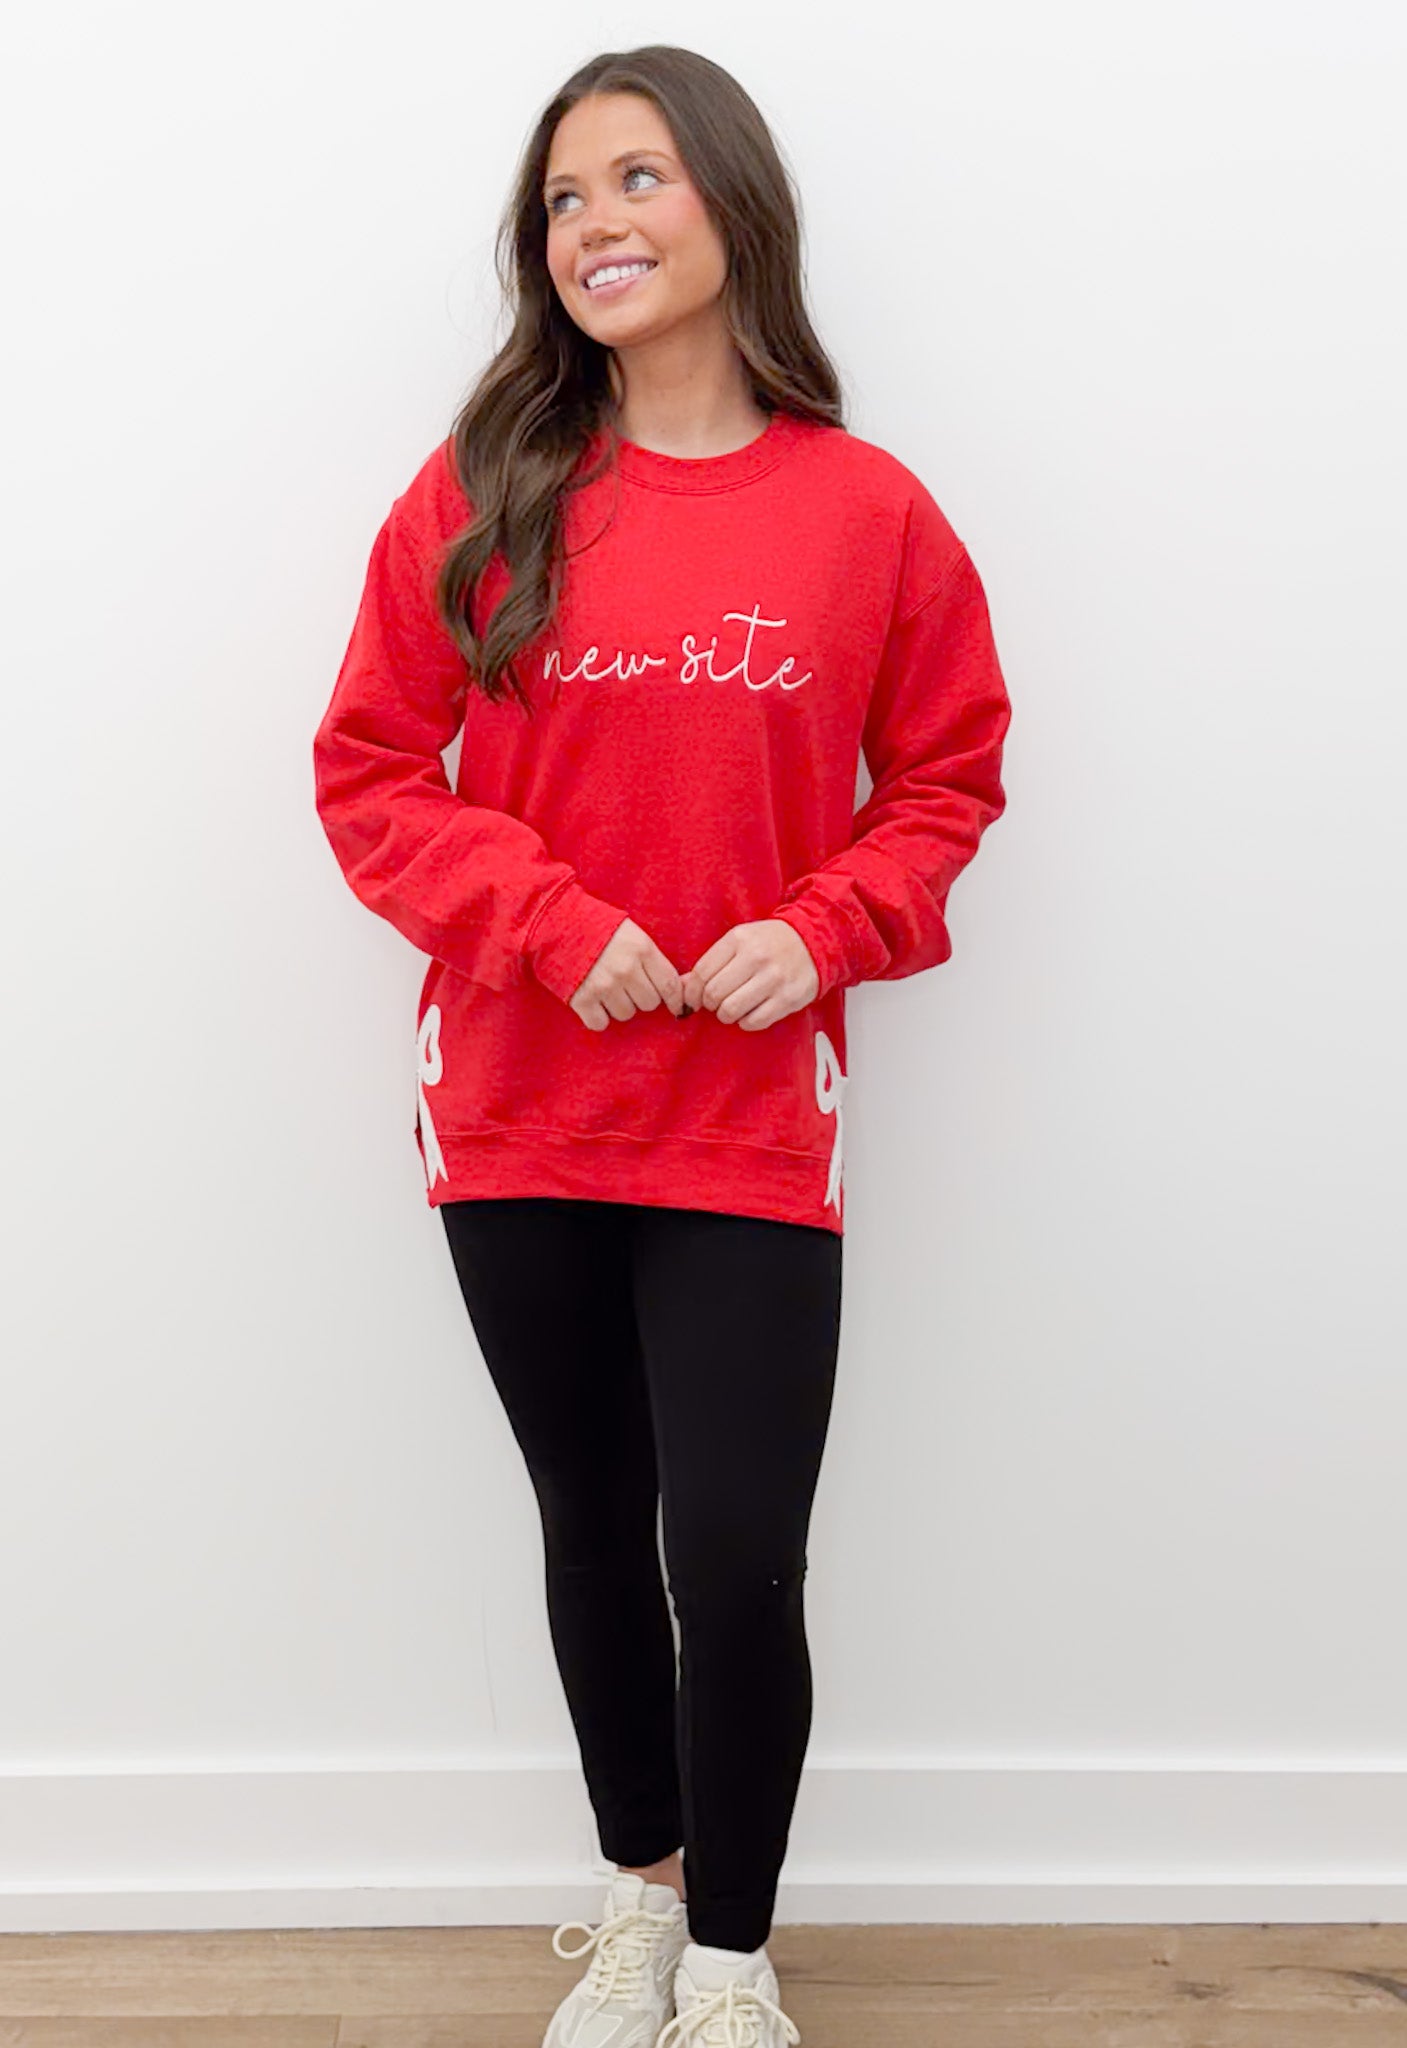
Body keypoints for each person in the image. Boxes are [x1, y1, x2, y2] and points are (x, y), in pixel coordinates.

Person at [312, 43, 1011, 2048]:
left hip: (749, 1126)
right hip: (519, 1109)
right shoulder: (485, 491)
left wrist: (826, 926)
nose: (594, 224)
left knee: (736, 1547)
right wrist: (550, 923)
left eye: (636, 178)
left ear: (731, 201)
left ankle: (732, 1964)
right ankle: (642, 1901)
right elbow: (370, 774)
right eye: (562, 198)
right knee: (595, 1525)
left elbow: (946, 782)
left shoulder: (868, 514)